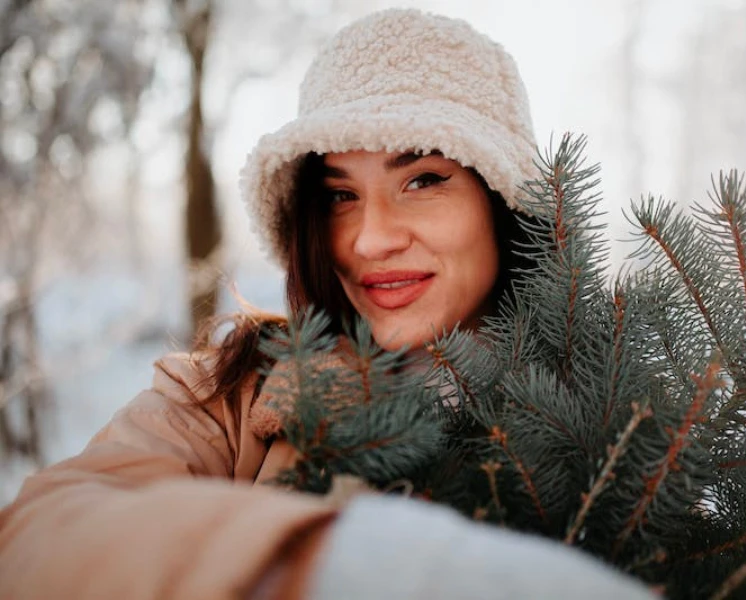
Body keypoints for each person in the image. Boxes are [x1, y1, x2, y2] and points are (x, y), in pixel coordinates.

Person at [0, 9, 654, 599]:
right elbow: (38, 533)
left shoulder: (634, 421)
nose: (370, 239)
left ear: (502, 202)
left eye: (422, 180)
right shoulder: (237, 391)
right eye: (341, 195)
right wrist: (317, 562)